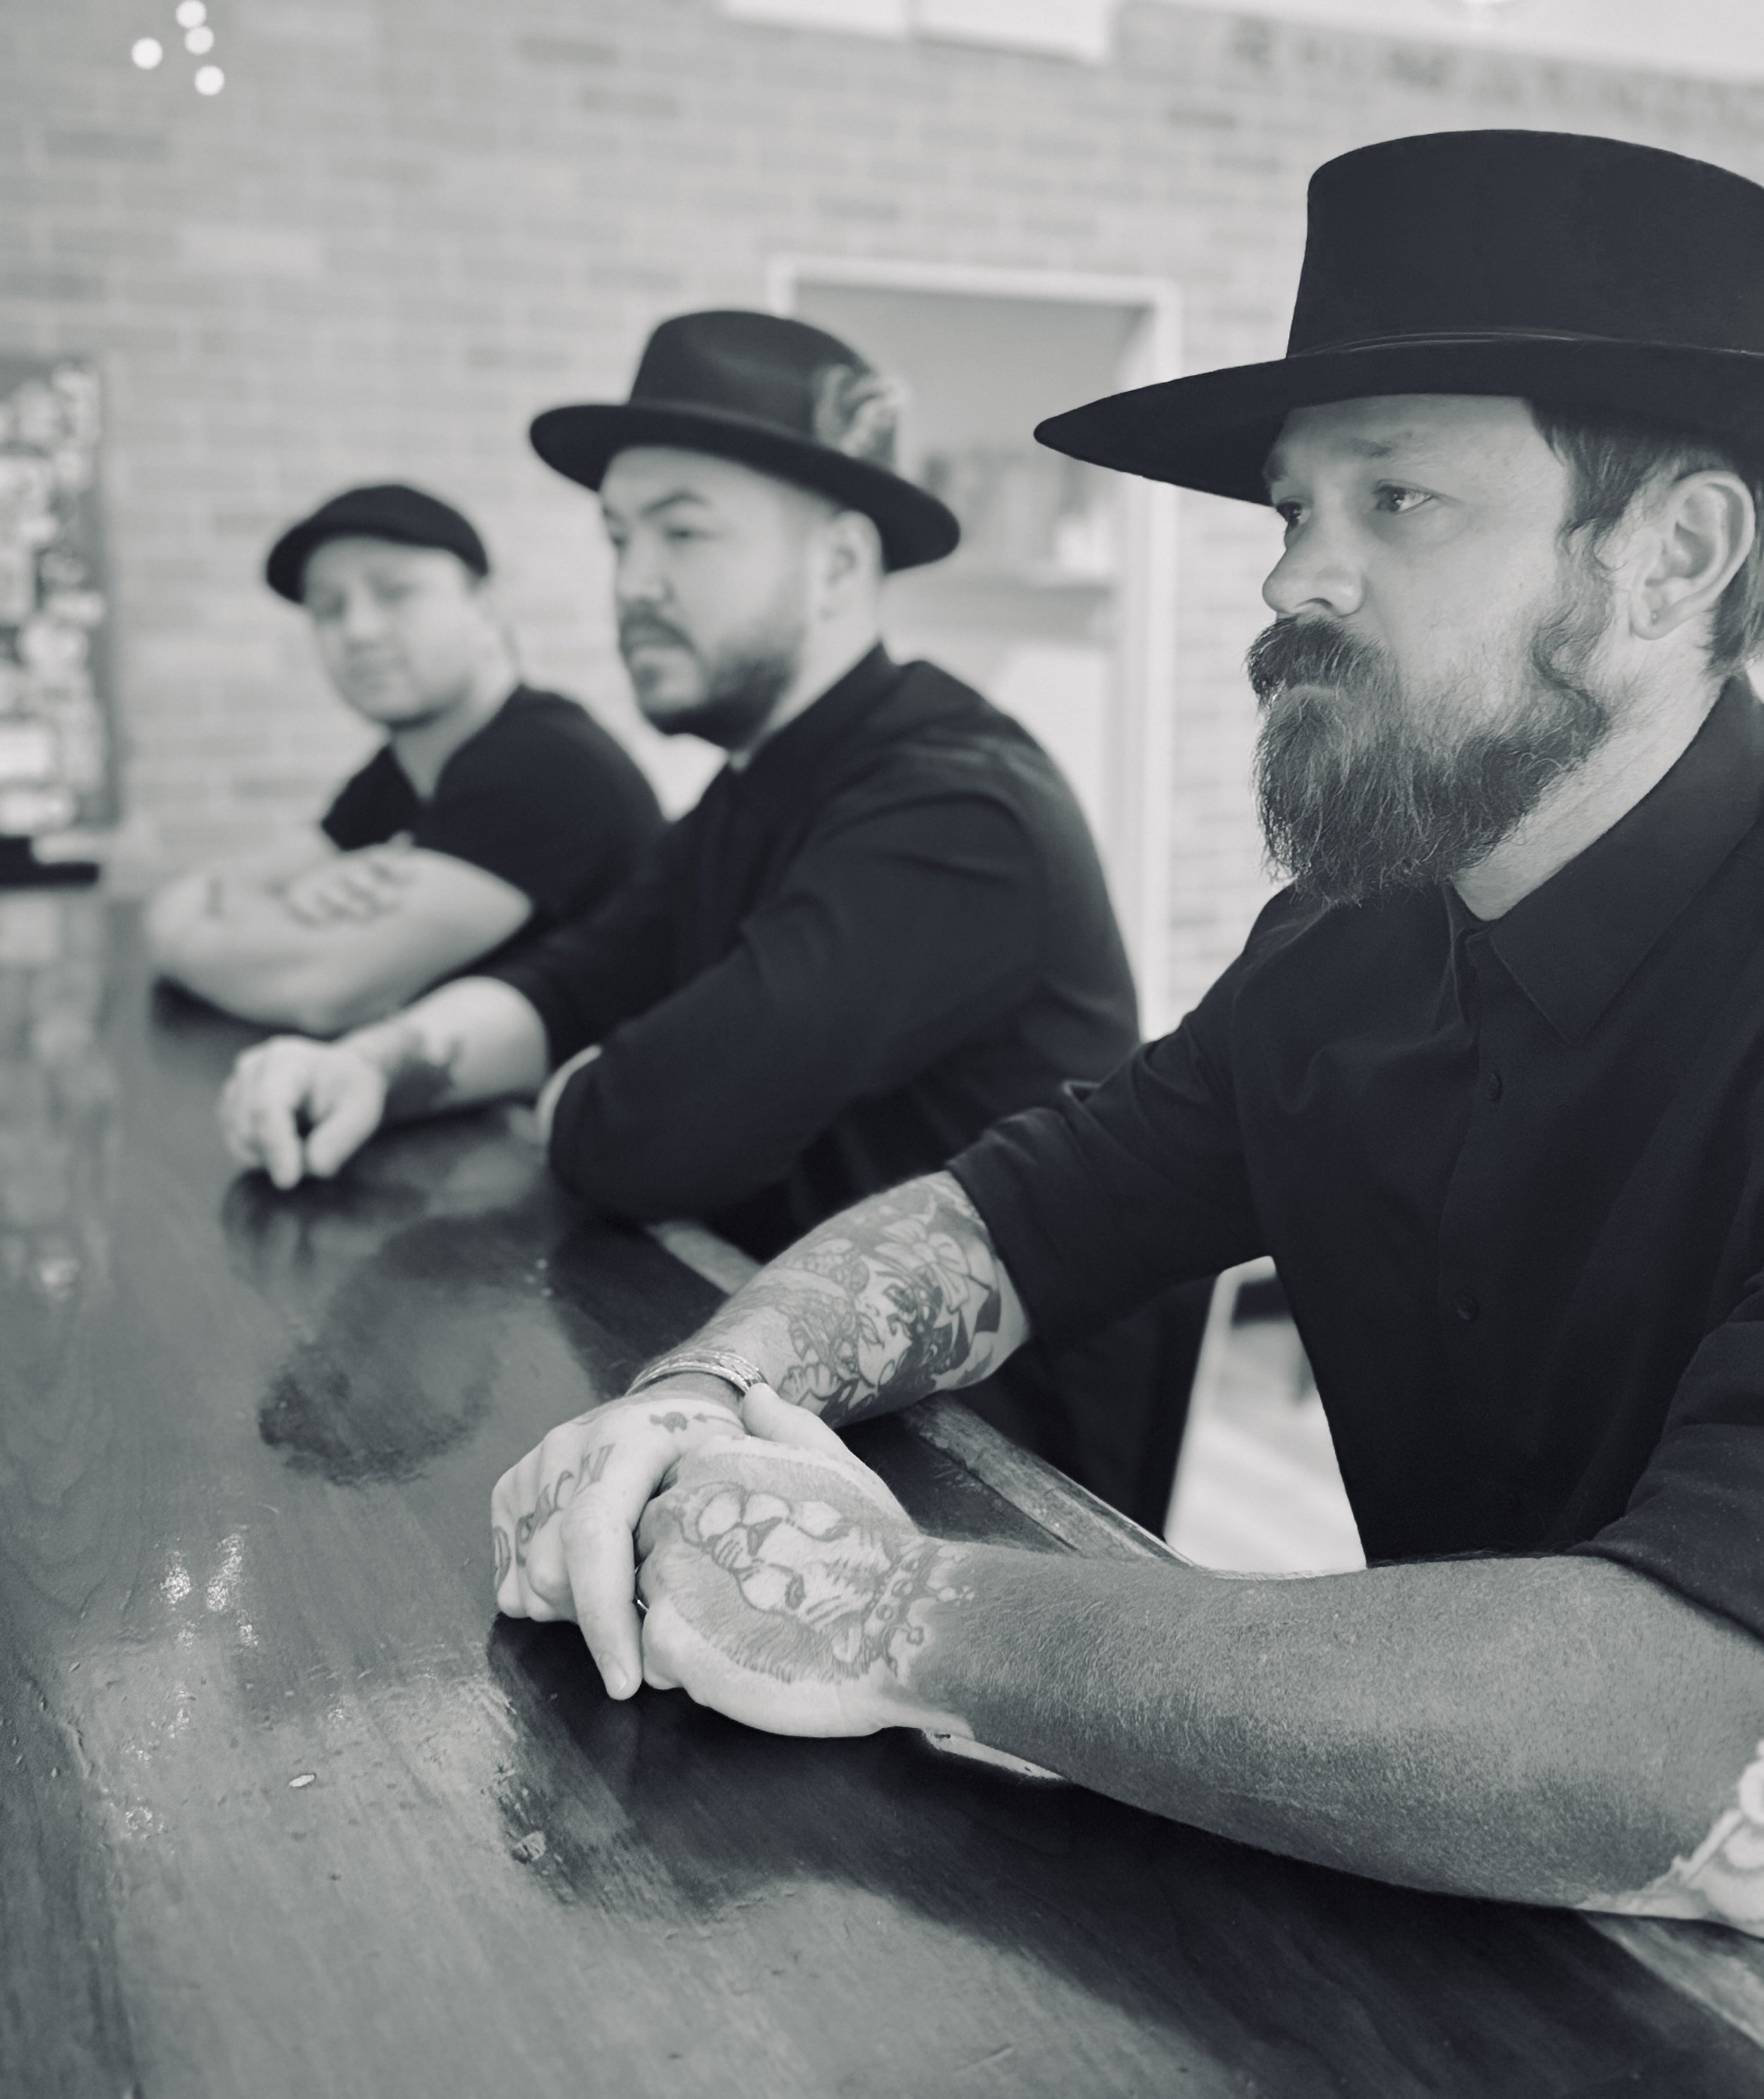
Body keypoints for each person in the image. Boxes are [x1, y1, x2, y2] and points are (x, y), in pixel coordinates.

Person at [490, 133, 1764, 1937]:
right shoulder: (1345, 944)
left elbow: (1669, 1724)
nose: (1291, 582)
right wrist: (715, 1388)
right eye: (1287, 509)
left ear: (1672, 559)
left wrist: (891, 1614)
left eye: (1395, 500)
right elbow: (1013, 1215)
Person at [219, 314, 1171, 1511]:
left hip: (989, 1481)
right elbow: (574, 980)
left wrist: (579, 1082)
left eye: (683, 531)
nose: (632, 580)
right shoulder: (751, 785)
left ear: (836, 562)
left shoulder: (956, 807)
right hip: (763, 1385)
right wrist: (368, 1061)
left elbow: (641, 1130)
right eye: (619, 536)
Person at [147, 483, 661, 1035]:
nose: (359, 631)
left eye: (395, 593)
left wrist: (186, 936)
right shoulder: (403, 766)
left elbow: (322, 989)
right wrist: (287, 903)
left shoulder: (544, 766)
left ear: (485, 606)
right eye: (328, 608)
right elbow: (213, 887)